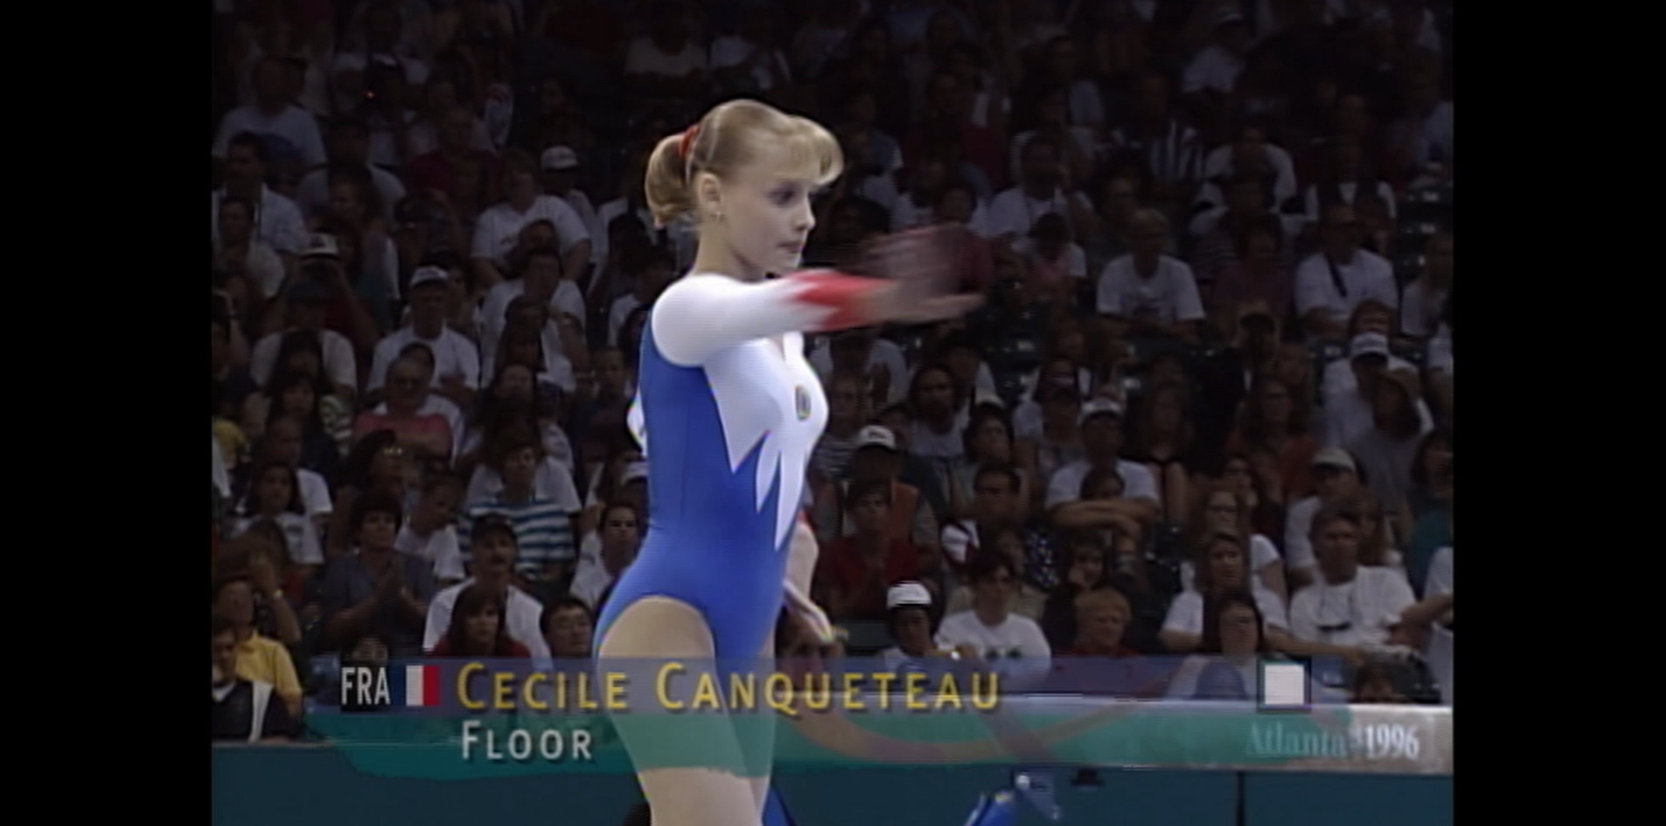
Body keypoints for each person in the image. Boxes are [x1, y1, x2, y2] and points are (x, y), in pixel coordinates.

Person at [591, 99, 979, 826]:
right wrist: (888, 295)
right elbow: (802, 301)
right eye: (781, 196)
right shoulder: (684, 310)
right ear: (711, 196)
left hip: (749, 636)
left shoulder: (788, 348)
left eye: (809, 198)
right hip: (667, 620)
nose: (804, 218)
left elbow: (765, 477)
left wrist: (795, 571)